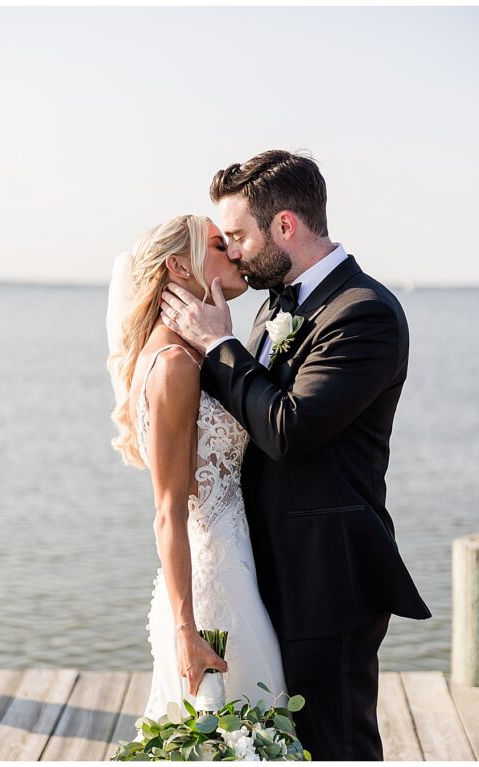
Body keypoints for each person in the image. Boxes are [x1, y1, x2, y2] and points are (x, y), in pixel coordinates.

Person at [159, 150, 431, 760]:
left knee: (335, 745)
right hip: (261, 572)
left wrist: (216, 344)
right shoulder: (274, 304)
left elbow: (288, 428)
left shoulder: (364, 313)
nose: (233, 252)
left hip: (327, 579)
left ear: (284, 226)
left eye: (237, 237)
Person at [107, 214, 286, 724]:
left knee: (240, 730)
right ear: (179, 267)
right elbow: (168, 510)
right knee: (240, 727)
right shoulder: (174, 366)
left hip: (232, 564)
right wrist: (186, 629)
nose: (233, 252)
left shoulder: (188, 354)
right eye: (217, 244)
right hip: (215, 582)